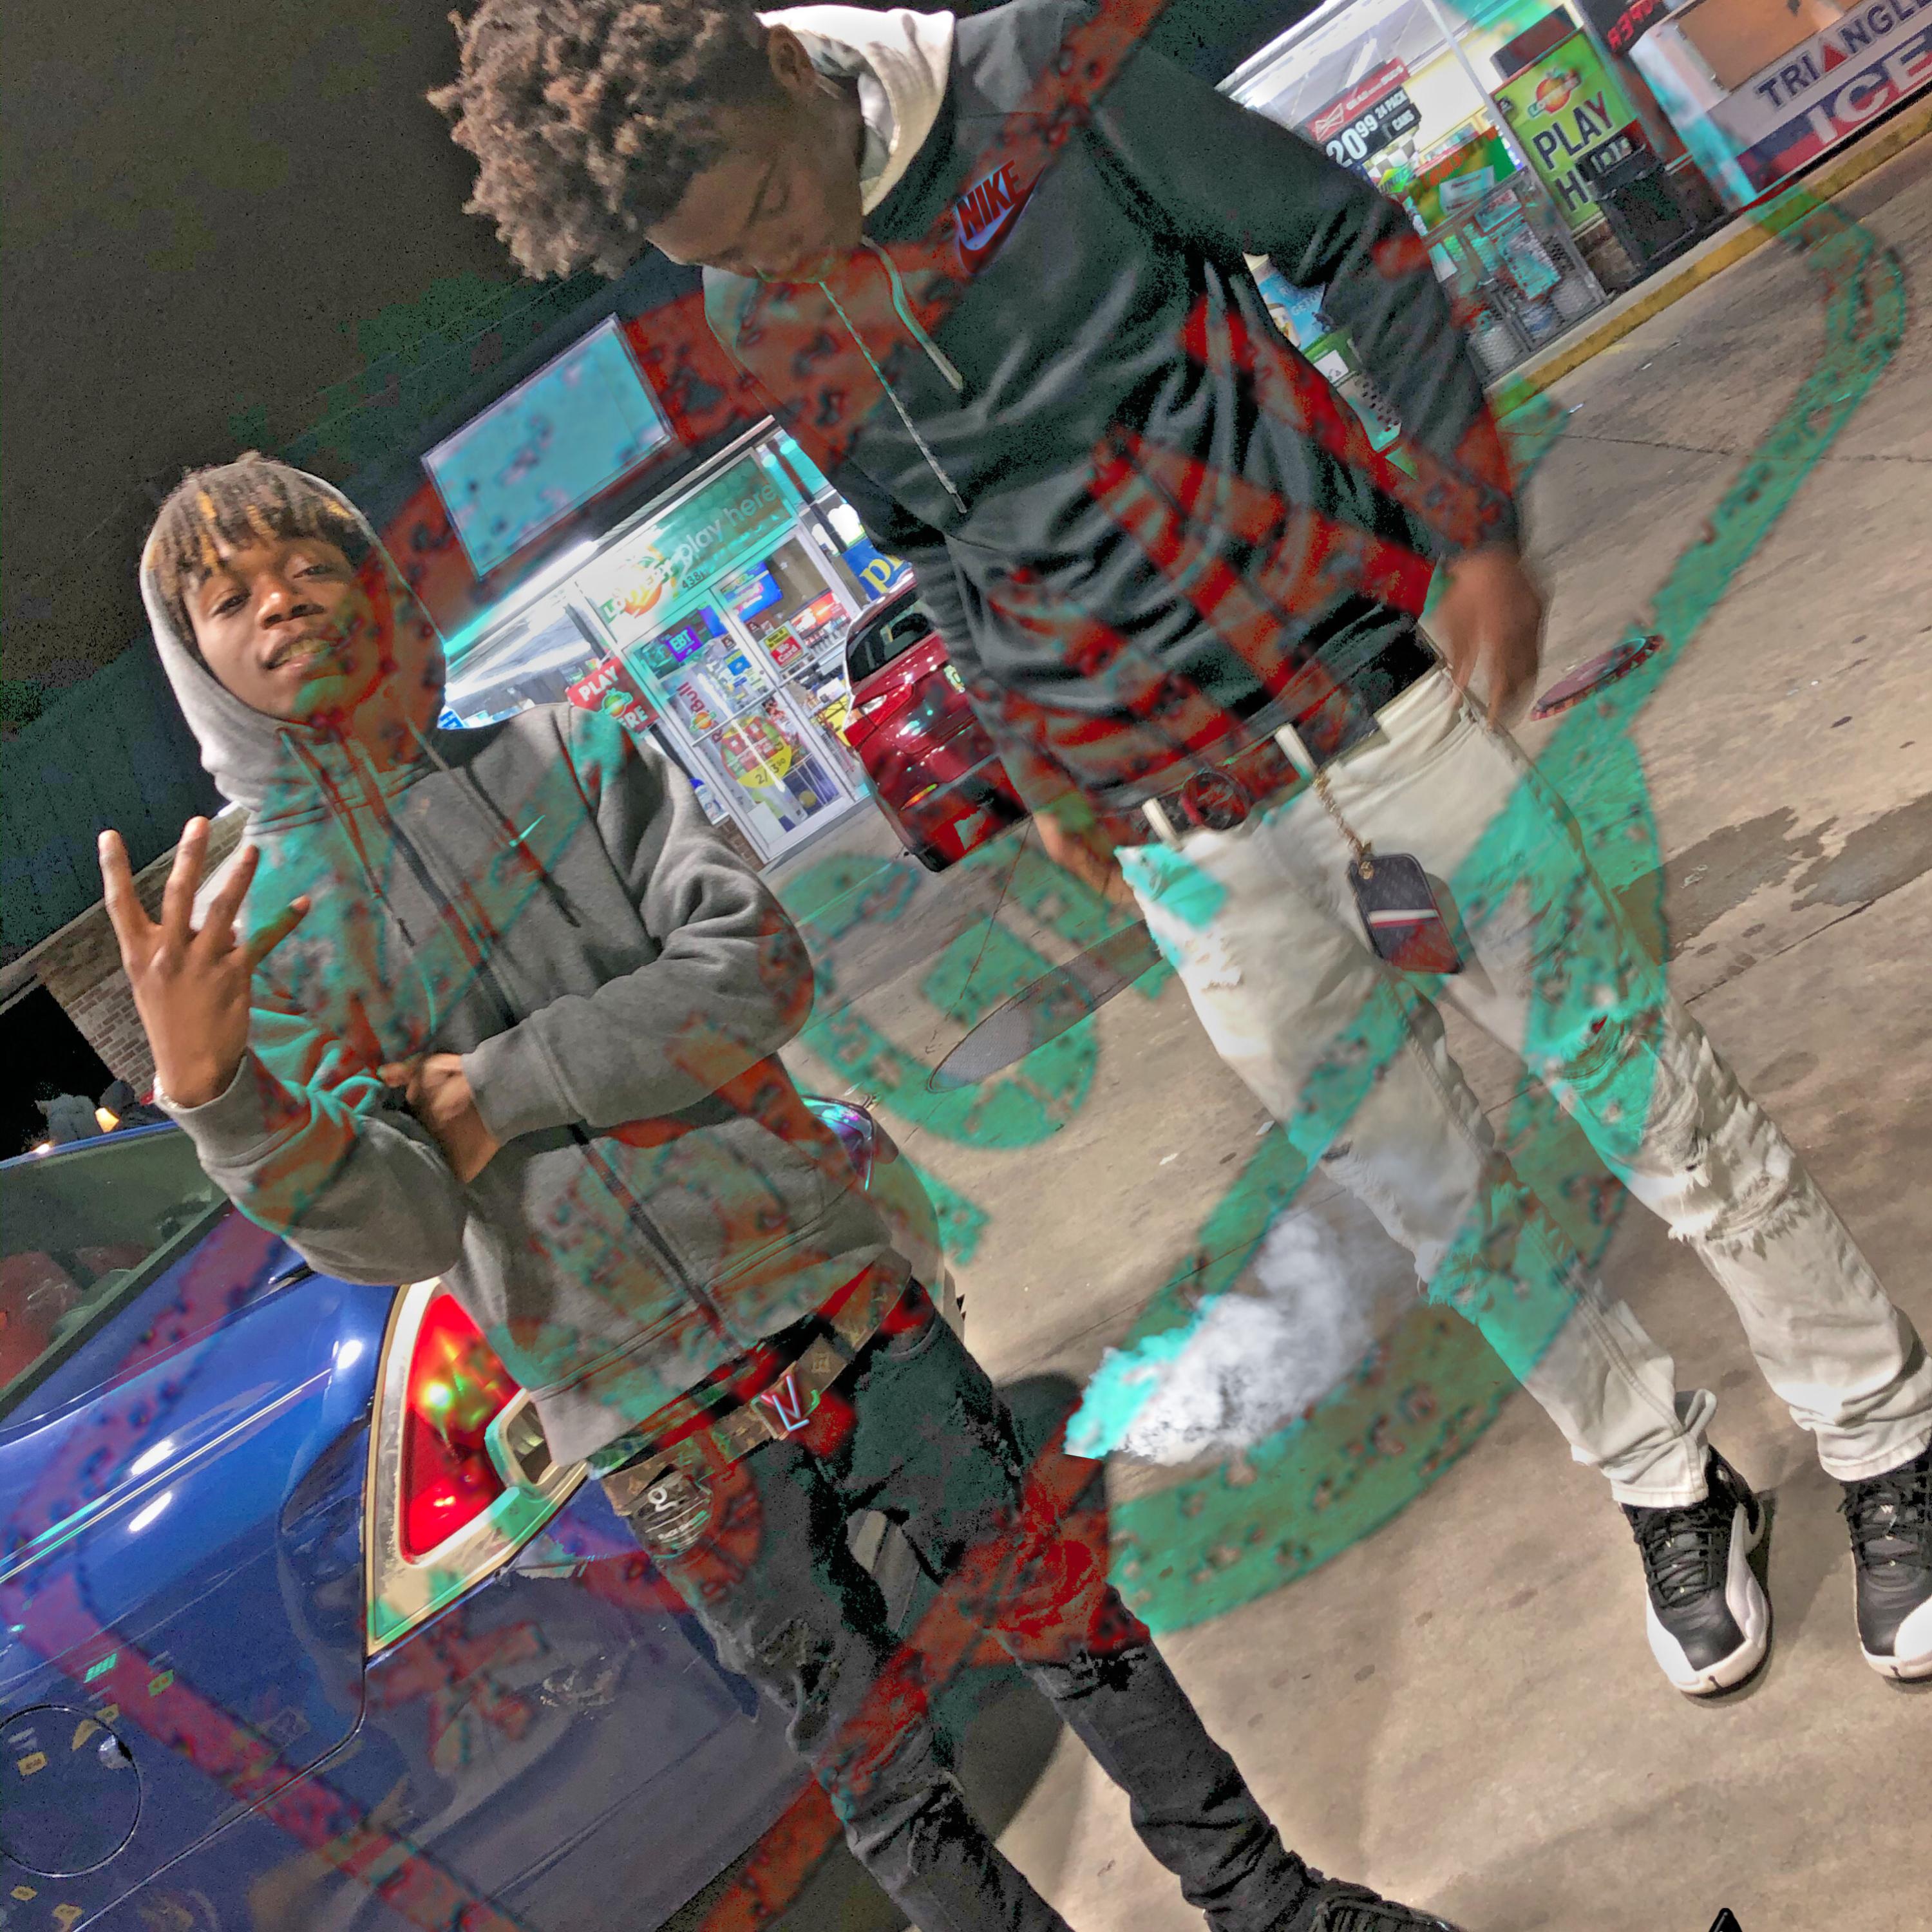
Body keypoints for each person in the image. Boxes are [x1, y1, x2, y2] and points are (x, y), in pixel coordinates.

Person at [429, 0, 1931, 1697]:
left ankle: (1884, 1426)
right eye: (730, 257)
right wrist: (1039, 770)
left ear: (788, 66)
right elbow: (932, 543)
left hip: (1368, 720)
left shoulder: (1041, 82)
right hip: (1182, 844)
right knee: (1436, 1200)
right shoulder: (753, 310)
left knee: (1650, 1097)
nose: (787, 263)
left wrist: (1475, 522)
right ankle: (1662, 1471)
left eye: (775, 205)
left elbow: (1347, 234)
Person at [100, 451, 1447, 1932]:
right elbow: (407, 1219)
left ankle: (1272, 1906)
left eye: (309, 562)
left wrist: (496, 1088)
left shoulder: (563, 756)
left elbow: (753, 971)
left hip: (833, 1292)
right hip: (647, 1407)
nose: (281, 602)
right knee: (878, 1764)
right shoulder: (263, 927)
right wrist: (220, 1100)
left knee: (1073, 1615)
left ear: (372, 584)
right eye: (229, 595)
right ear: (197, 662)